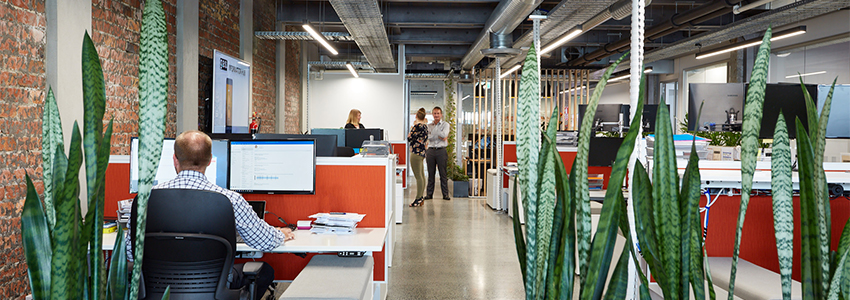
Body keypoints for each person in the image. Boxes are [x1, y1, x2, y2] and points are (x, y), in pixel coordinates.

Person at [130, 130, 295, 300]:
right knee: (264, 270)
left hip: (157, 289)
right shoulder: (231, 199)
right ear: (210, 160)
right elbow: (264, 241)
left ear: (174, 159)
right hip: (212, 291)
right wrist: (280, 234)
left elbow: (129, 251)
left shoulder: (145, 199)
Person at [425, 106, 451, 200]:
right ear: (432, 114)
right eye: (434, 113)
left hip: (441, 151)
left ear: (441, 115)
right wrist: (438, 134)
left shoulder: (445, 124)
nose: (436, 115)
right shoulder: (429, 125)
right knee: (430, 174)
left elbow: (444, 135)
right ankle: (429, 194)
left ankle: (445, 194)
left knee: (443, 174)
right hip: (431, 150)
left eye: (438, 113)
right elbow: (428, 137)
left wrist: (434, 134)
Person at [408, 108, 429, 206]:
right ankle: (421, 197)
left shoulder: (416, 126)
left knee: (418, 176)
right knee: (422, 176)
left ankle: (418, 198)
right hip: (422, 153)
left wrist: (412, 128)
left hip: (415, 153)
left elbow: (409, 138)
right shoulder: (425, 127)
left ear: (416, 116)